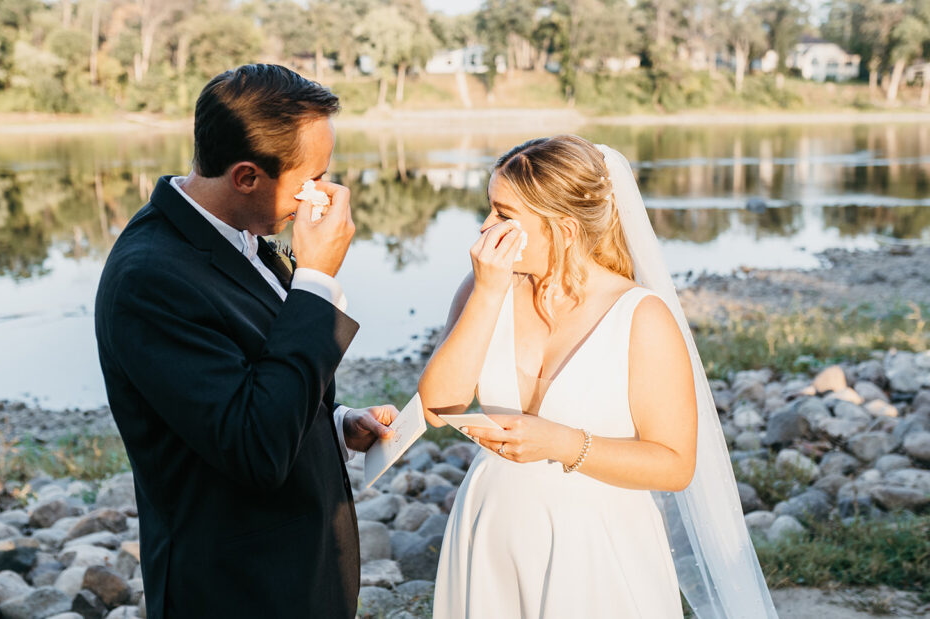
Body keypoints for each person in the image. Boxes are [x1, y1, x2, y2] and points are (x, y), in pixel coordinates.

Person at [419, 135, 777, 618]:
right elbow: (438, 408)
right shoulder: (484, 288)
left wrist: (563, 444)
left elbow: (674, 466)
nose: (485, 228)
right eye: (489, 209)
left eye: (504, 215)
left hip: (597, 542)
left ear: (564, 230)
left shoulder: (640, 316)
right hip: (491, 529)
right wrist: (485, 295)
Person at [95, 64, 396, 618]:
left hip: (302, 573)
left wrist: (330, 420)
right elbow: (253, 448)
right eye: (312, 179)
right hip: (237, 589)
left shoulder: (243, 231)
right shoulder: (149, 279)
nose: (324, 197)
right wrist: (317, 282)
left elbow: (252, 381)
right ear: (246, 177)